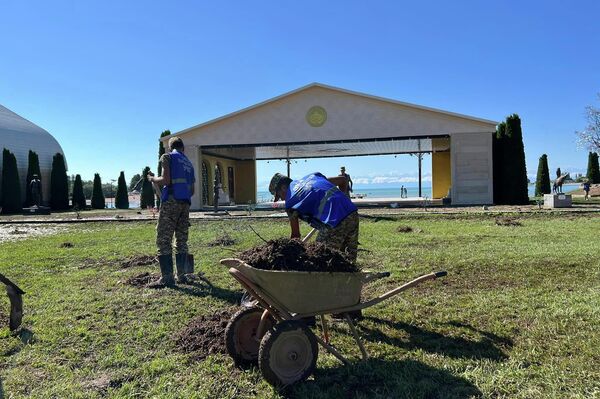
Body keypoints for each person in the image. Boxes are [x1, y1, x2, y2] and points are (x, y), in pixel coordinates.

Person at [269, 172, 359, 262]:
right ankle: (353, 275)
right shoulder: (313, 177)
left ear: (283, 187)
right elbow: (343, 180)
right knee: (348, 260)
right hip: (351, 212)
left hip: (333, 222)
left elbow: (296, 236)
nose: (282, 199)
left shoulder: (290, 202)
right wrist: (341, 203)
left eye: (279, 195)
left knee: (320, 259)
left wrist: (291, 254)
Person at [147, 137, 195, 287]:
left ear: (170, 147)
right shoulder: (189, 163)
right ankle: (182, 275)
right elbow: (192, 190)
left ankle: (167, 278)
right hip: (185, 204)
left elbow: (166, 180)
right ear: (183, 148)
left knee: (163, 239)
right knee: (181, 240)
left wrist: (153, 179)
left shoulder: (167, 157)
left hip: (171, 202)